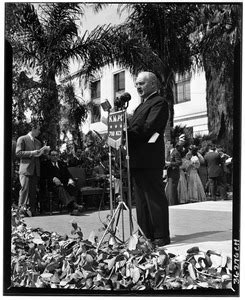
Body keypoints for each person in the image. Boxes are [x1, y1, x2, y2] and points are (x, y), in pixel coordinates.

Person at [127, 71, 170, 248]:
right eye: (137, 84)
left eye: (142, 83)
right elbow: (134, 128)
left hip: (150, 158)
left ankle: (160, 235)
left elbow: (148, 128)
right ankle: (146, 234)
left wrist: (125, 130)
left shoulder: (159, 103)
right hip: (137, 158)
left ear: (153, 84)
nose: (138, 87)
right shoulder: (139, 106)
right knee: (141, 199)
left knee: (153, 197)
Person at [15, 120, 50, 216]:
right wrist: (32, 152)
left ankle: (32, 211)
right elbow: (18, 153)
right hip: (26, 169)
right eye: (38, 129)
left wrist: (44, 152)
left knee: (33, 191)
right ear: (33, 129)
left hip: (35, 170)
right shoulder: (22, 139)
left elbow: (38, 154)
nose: (39, 132)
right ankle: (21, 211)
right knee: (25, 189)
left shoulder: (38, 142)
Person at [43, 150, 84, 215]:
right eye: (53, 155)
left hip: (63, 184)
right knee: (60, 188)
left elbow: (68, 174)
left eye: (56, 155)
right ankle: (73, 206)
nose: (55, 157)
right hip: (53, 186)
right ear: (50, 156)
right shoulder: (46, 164)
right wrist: (52, 178)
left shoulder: (61, 163)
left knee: (72, 186)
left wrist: (70, 179)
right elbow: (44, 175)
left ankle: (73, 209)